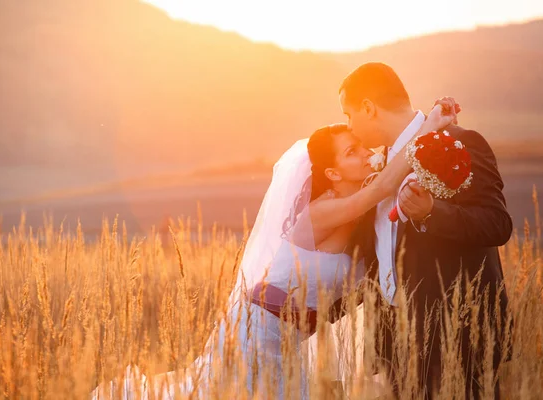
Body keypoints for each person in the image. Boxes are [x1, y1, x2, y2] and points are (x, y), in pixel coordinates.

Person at [91, 99, 459, 400]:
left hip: (289, 343)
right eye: (352, 152)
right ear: (331, 174)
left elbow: (386, 187)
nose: (366, 154)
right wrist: (428, 128)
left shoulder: (363, 216)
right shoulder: (321, 212)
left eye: (363, 146)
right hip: (255, 334)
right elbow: (379, 190)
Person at [338, 62, 512, 399]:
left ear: (368, 108)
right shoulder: (371, 167)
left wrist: (432, 213)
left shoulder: (459, 143)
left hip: (457, 338)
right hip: (394, 346)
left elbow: (497, 224)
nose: (349, 126)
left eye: (349, 115)